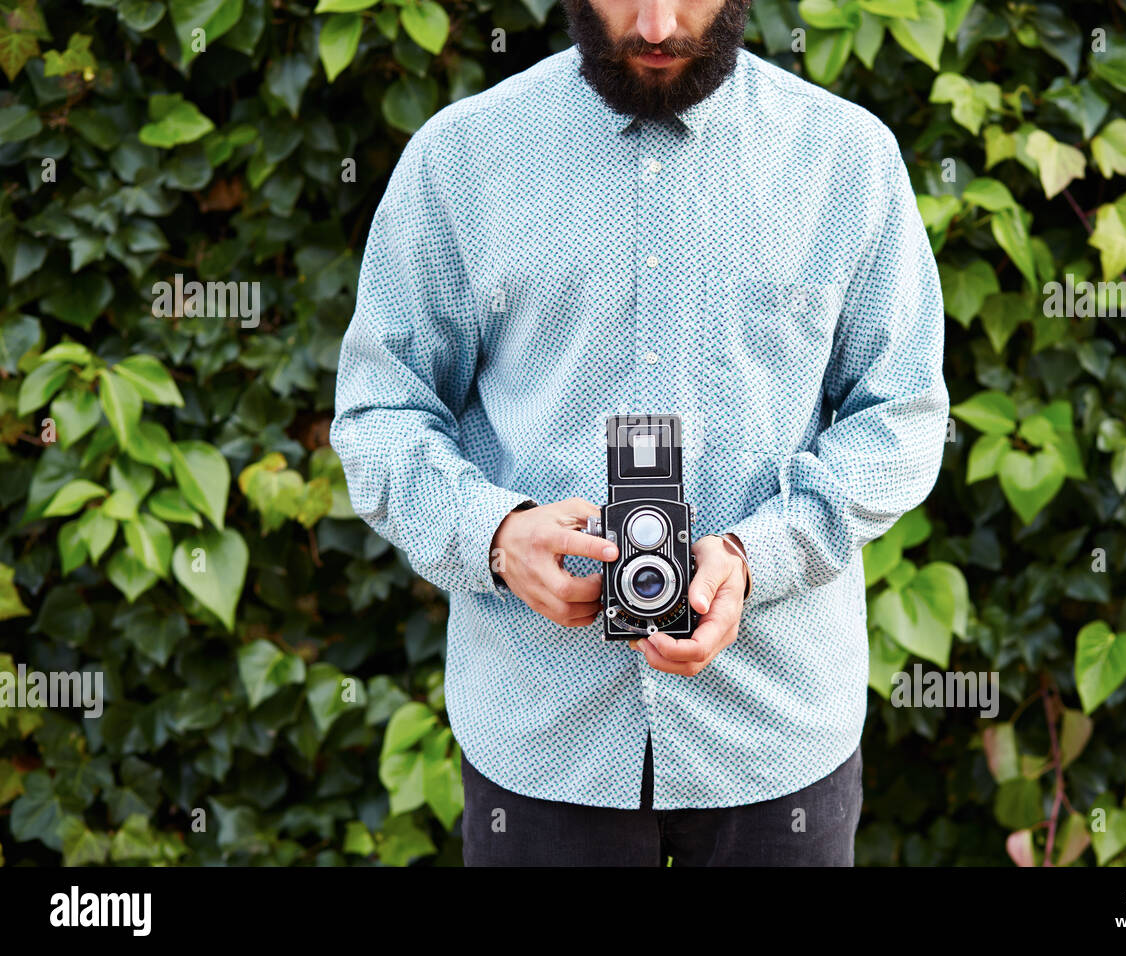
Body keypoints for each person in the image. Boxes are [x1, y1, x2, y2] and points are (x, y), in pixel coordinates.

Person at [330, 0, 949, 866]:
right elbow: (379, 411)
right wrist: (497, 537)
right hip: (542, 738)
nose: (656, 26)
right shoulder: (461, 158)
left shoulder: (846, 158)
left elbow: (905, 416)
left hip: (775, 739)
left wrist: (758, 555)